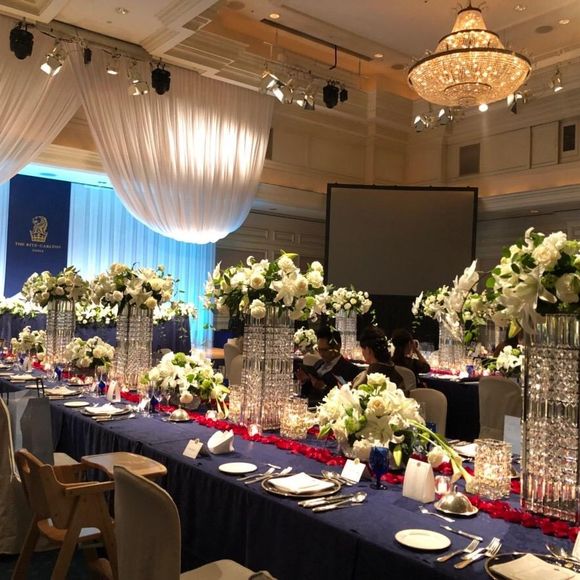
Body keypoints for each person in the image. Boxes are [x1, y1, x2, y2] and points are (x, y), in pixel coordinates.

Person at [298, 326, 360, 406]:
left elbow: (346, 399)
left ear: (337, 347)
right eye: (319, 349)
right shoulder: (318, 364)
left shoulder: (350, 369)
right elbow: (307, 393)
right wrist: (305, 381)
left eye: (325, 350)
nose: (321, 354)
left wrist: (323, 387)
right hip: (308, 405)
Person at [353, 326, 405, 392]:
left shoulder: (364, 379)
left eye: (362, 349)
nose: (362, 353)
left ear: (368, 350)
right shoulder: (398, 376)